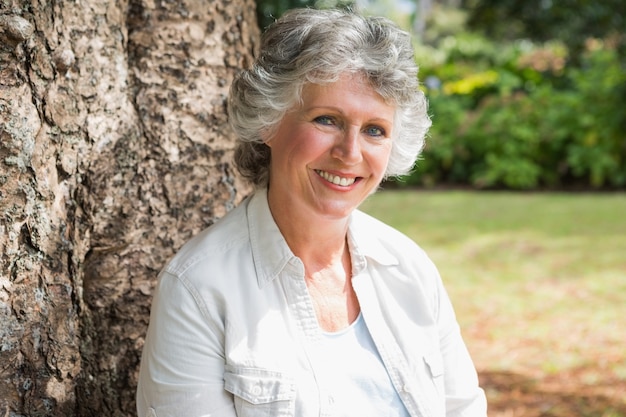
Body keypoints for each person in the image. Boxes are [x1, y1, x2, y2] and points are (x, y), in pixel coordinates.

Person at [136, 7, 487, 417]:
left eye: (375, 129)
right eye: (327, 119)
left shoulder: (410, 269)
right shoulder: (199, 288)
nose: (349, 153)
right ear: (268, 121)